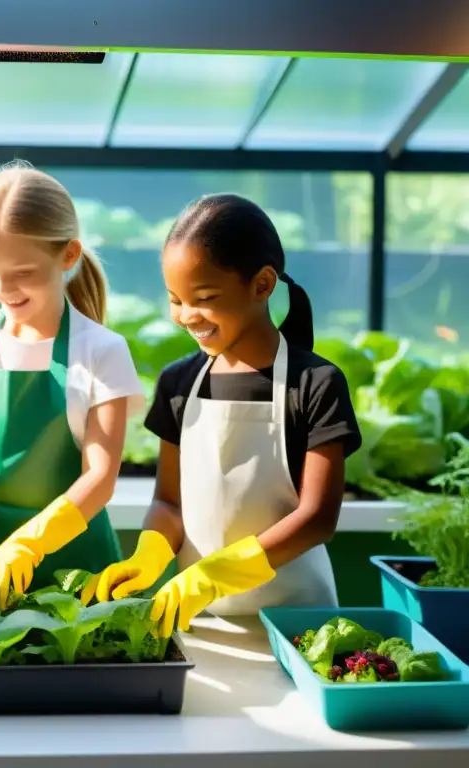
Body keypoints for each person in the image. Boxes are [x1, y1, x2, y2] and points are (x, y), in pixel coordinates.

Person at [85, 193, 362, 638]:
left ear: (262, 284)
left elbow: (317, 518)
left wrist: (213, 576)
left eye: (205, 297)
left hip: (300, 626)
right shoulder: (178, 383)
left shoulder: (315, 383)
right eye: (175, 300)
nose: (186, 315)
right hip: (203, 623)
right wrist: (149, 554)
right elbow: (169, 502)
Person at [0, 162, 146, 609]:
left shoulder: (101, 349)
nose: (4, 289)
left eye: (23, 272)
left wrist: (31, 544)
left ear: (67, 255)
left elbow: (100, 478)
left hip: (75, 567)